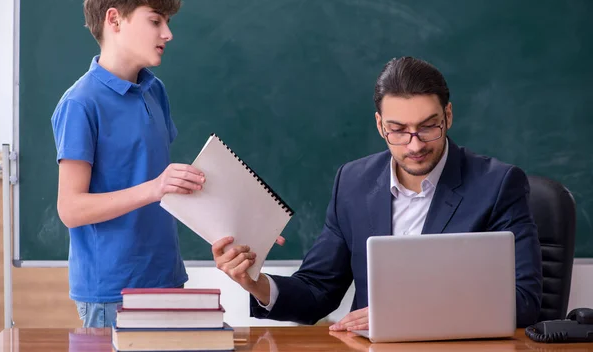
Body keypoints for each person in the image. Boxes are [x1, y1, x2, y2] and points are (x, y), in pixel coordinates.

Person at [211, 56, 543, 330]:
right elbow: (317, 291)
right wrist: (256, 283)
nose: (415, 145)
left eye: (428, 126)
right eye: (398, 130)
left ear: (449, 116)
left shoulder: (498, 184)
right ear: (380, 125)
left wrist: (407, 316)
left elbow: (523, 302)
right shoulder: (353, 182)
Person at [51, 0, 205, 328]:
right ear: (114, 20)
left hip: (167, 278)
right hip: (113, 293)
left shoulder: (155, 90)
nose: (167, 33)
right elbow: (70, 208)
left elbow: (163, 185)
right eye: (155, 21)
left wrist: (243, 224)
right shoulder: (80, 103)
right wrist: (154, 188)